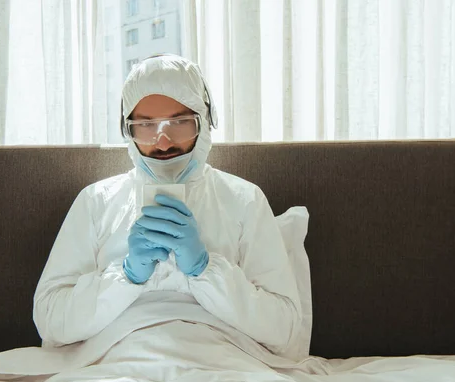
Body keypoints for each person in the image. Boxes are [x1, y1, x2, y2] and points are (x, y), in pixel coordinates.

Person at [32, 54, 303, 366]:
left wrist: (206, 270)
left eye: (178, 123)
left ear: (204, 120)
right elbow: (51, 319)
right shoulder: (96, 201)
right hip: (115, 361)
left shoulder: (244, 200)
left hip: (224, 361)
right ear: (127, 130)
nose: (162, 142)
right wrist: (125, 276)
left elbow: (285, 329)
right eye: (145, 125)